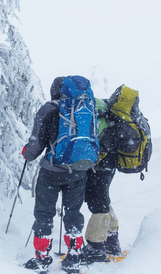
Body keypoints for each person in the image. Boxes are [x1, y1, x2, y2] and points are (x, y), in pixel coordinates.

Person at [22, 76, 91, 274]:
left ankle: (43, 259)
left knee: (44, 213)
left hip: (52, 171)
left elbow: (36, 143)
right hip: (78, 171)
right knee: (73, 214)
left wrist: (27, 153)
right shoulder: (83, 108)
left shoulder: (49, 109)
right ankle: (74, 258)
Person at [82, 97, 122, 263]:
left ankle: (96, 246)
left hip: (102, 161)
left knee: (98, 202)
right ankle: (111, 240)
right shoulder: (97, 105)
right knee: (102, 198)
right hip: (109, 160)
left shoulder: (88, 108)